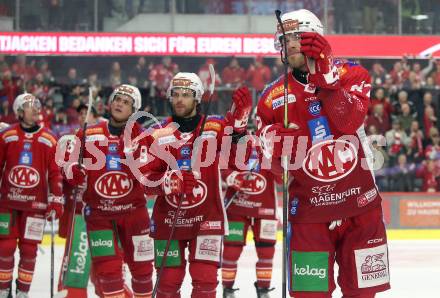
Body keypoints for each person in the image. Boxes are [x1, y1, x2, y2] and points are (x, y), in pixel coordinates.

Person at [251, 9, 390, 297]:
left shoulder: (352, 73)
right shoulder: (270, 98)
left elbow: (348, 121)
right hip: (309, 214)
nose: (288, 45)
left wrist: (325, 75)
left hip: (360, 208)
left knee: (362, 293)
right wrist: (276, 151)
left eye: (295, 37)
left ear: (314, 37)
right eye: (284, 39)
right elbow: (277, 174)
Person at [148, 72, 252, 297]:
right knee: (167, 286)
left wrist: (240, 128)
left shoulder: (215, 126)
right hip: (168, 221)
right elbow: (145, 181)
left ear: (197, 98)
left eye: (186, 94)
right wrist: (168, 182)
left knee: (205, 284)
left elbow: (241, 161)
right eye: (175, 94)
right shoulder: (157, 134)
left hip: (207, 219)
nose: (179, 99)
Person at [62, 84, 154, 298]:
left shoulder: (144, 137)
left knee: (143, 273)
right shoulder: (87, 133)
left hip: (135, 214)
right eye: (117, 99)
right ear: (110, 103)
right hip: (99, 215)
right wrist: (72, 171)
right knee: (108, 273)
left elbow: (151, 175)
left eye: (126, 102)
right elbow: (66, 165)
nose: (120, 103)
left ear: (134, 110)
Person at [0, 93, 64, 298]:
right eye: (30, 106)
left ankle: (22, 292)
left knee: (29, 251)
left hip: (36, 205)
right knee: (5, 246)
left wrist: (56, 201)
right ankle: (3, 290)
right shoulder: (6, 135)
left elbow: (55, 174)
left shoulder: (49, 138)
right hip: (7, 203)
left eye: (38, 105)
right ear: (19, 111)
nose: (37, 109)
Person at [221, 126, 280, 298]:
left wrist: (275, 156)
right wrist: (233, 177)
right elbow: (221, 167)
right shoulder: (234, 139)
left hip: (265, 208)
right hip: (238, 206)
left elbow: (281, 176)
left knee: (267, 251)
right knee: (231, 250)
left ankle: (263, 290)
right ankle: (227, 289)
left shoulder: (273, 143)